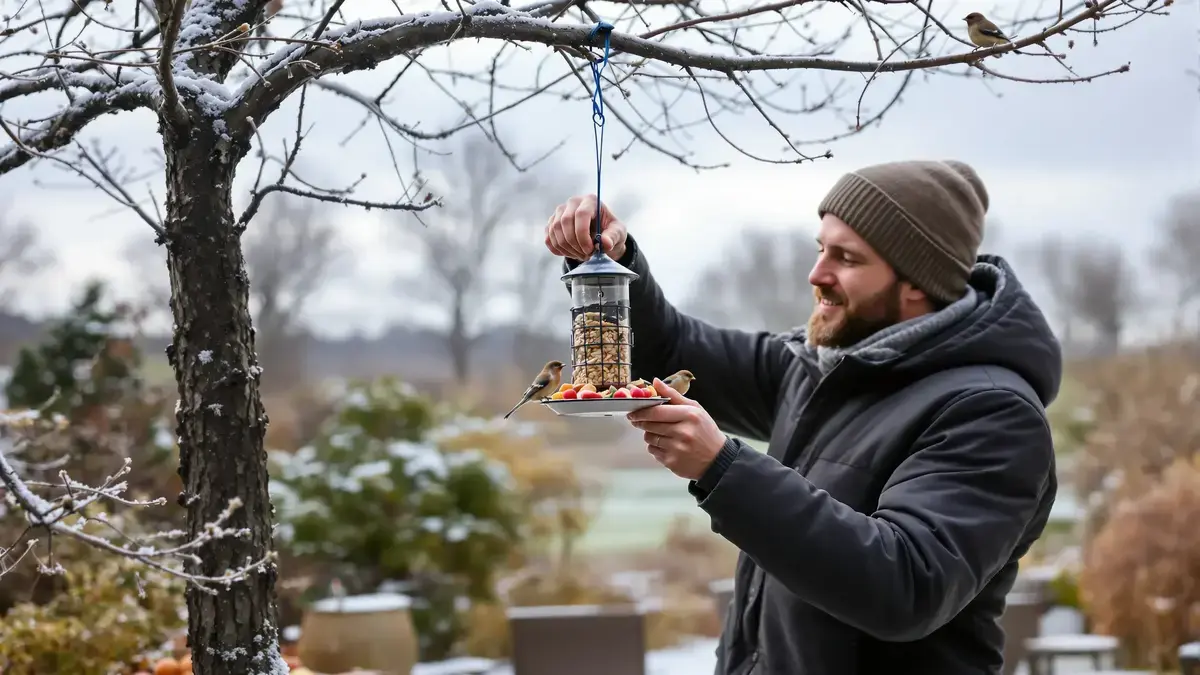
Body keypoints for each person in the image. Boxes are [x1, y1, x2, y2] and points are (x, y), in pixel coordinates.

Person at [545, 159, 1061, 675]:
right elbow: (675, 350)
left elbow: (907, 587)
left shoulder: (991, 414)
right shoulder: (818, 367)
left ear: (916, 283)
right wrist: (613, 258)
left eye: (847, 258)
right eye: (821, 249)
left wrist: (724, 469)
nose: (817, 274)